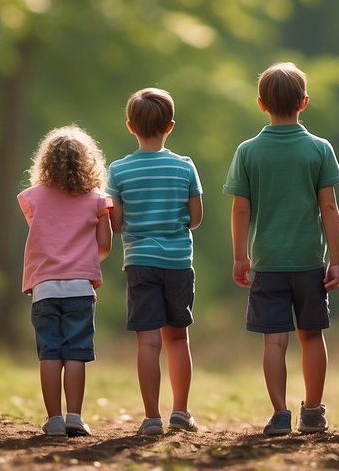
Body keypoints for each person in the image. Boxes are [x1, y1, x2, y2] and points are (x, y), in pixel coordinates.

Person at [225, 62, 339, 436]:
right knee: (311, 335)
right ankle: (312, 412)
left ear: (261, 104)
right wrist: (337, 260)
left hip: (267, 262)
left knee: (274, 340)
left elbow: (241, 208)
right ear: (304, 103)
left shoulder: (248, 151)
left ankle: (280, 414)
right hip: (309, 261)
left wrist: (240, 255)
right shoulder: (319, 149)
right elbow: (329, 207)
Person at [107, 89, 203, 436]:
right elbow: (196, 219)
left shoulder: (118, 171)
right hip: (178, 261)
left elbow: (115, 224)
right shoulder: (184, 166)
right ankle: (181, 411)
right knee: (177, 339)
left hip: (139, 262)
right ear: (170, 126)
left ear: (130, 126)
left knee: (148, 342)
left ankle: (151, 417)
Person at [19, 125, 113, 438]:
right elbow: (104, 246)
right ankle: (75, 415)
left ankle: (54, 418)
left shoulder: (32, 198)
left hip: (44, 287)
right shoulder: (98, 200)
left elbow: (41, 233)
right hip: (79, 288)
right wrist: (83, 259)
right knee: (76, 353)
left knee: (50, 353)